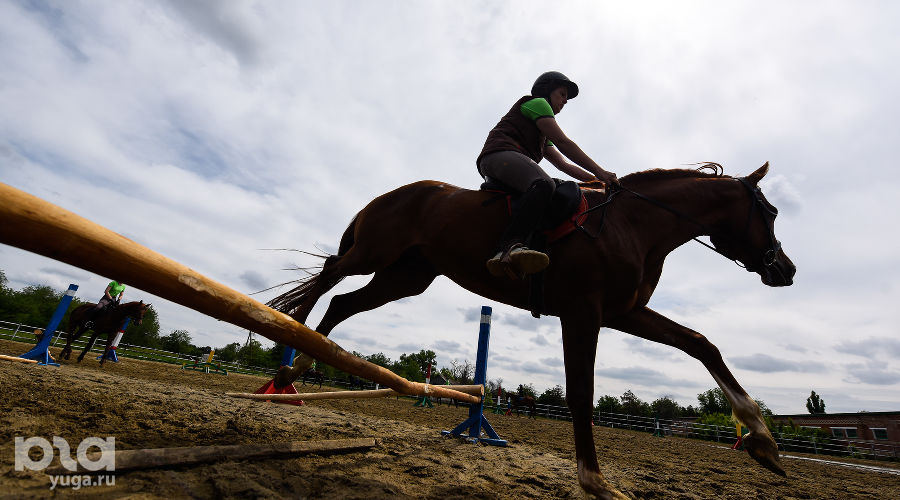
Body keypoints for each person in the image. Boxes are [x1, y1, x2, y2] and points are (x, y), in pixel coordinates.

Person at [477, 71, 618, 278]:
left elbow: (563, 164)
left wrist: (597, 182)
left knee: (551, 186)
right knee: (544, 184)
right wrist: (601, 171)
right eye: (562, 94)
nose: (565, 101)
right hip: (499, 156)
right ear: (546, 90)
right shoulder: (537, 103)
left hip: (506, 162)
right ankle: (509, 246)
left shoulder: (542, 136)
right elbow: (564, 143)